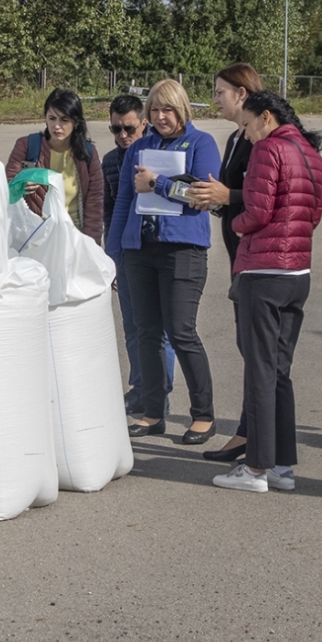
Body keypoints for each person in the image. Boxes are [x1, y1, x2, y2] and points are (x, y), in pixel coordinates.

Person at [210, 91, 322, 493]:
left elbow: (257, 211)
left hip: (263, 270)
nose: (246, 132)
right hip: (297, 271)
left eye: (247, 123)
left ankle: (256, 467)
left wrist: (235, 222)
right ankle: (280, 465)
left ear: (266, 117)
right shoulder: (310, 153)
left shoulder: (268, 149)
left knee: (259, 370)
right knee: (278, 371)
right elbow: (314, 213)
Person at [105, 78, 221, 444]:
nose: (159, 116)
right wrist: (114, 255)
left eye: (166, 109)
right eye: (154, 110)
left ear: (181, 108)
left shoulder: (202, 144)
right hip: (140, 250)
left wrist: (158, 184)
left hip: (183, 250)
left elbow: (204, 196)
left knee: (181, 332)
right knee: (146, 332)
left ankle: (203, 415)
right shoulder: (140, 147)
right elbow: (123, 201)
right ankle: (153, 412)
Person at [184, 63, 263, 463]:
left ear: (241, 94)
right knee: (247, 347)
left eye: (219, 92)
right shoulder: (235, 138)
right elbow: (232, 194)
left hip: (258, 261)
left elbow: (257, 197)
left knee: (258, 353)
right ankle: (250, 434)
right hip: (239, 257)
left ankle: (254, 438)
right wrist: (212, 200)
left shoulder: (260, 141)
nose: (215, 99)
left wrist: (225, 196)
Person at [101, 94, 175, 416]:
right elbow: (108, 209)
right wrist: (110, 257)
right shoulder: (110, 161)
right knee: (133, 325)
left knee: (162, 328)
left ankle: (159, 392)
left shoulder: (160, 155)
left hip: (159, 249)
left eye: (129, 128)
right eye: (115, 129)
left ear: (144, 123)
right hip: (127, 251)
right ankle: (141, 387)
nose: (122, 135)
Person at [6, 88, 105, 244]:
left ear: (76, 122)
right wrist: (20, 185)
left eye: (64, 120)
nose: (56, 126)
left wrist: (91, 245)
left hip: (73, 238)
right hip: (34, 239)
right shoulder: (27, 146)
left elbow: (95, 204)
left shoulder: (88, 154)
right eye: (52, 118)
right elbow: (7, 186)